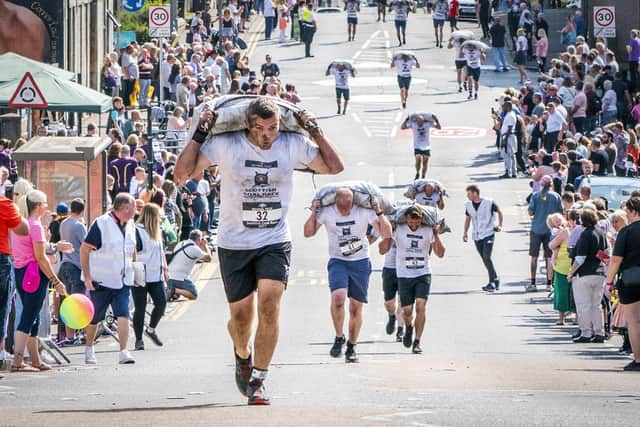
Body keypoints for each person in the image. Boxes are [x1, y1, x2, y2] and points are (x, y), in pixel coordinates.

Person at [173, 97, 343, 405]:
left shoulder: (291, 144)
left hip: (274, 239)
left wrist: (315, 131)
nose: (268, 135)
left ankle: (259, 379)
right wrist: (200, 132)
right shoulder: (227, 144)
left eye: (273, 128)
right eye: (261, 129)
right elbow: (181, 174)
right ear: (248, 125)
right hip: (234, 242)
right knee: (241, 320)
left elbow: (334, 166)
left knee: (269, 306)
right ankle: (243, 355)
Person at [304, 188, 392, 362]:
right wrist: (314, 211)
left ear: (353, 203)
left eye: (347, 208)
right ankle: (339, 337)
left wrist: (379, 212)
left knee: (355, 308)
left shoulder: (364, 211)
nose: (344, 212)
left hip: (360, 262)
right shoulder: (327, 212)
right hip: (338, 260)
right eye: (341, 208)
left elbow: (387, 233)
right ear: (335, 203)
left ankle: (352, 345)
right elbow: (308, 233)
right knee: (338, 298)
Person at [9, 190, 66, 372]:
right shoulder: (35, 226)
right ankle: (18, 360)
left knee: (32, 318)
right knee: (28, 318)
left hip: (20, 272)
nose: (47, 208)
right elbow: (41, 257)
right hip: (34, 274)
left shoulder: (19, 225)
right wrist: (56, 281)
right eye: (46, 204)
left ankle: (35, 359)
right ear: (39, 206)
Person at [379, 206, 445, 354]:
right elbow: (382, 250)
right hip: (404, 274)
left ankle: (417, 341)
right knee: (407, 311)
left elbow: (440, 254)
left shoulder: (428, 231)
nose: (413, 226)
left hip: (423, 273)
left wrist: (436, 234)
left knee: (421, 306)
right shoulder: (399, 229)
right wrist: (390, 233)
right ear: (406, 219)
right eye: (410, 223)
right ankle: (408, 328)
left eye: (416, 223)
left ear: (421, 219)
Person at [81, 193, 138, 365]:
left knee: (123, 315)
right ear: (126, 209)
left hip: (123, 280)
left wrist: (135, 269)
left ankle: (123, 351)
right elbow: (84, 250)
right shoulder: (101, 224)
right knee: (95, 319)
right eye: (134, 208)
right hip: (102, 281)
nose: (136, 211)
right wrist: (88, 276)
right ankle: (89, 348)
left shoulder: (131, 225)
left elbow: (132, 249)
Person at [606, 197, 640, 371]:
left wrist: (609, 280)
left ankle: (638, 359)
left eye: (627, 211)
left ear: (633, 211)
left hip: (631, 280)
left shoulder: (626, 232)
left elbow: (616, 259)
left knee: (634, 321)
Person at [567, 209, 607, 343]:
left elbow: (580, 258)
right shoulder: (600, 233)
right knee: (596, 305)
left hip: (584, 274)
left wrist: (571, 272)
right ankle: (599, 332)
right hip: (599, 272)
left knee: (583, 305)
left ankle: (586, 333)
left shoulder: (585, 235)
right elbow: (603, 253)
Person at [132, 203, 168, 351]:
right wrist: (132, 273)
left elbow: (161, 251)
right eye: (159, 215)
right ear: (152, 216)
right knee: (140, 308)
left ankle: (151, 329)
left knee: (161, 303)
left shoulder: (157, 231)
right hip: (141, 274)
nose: (161, 218)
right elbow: (132, 253)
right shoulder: (137, 231)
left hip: (156, 274)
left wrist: (165, 267)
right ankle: (139, 339)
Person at [0, 190, 28, 366]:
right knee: (2, 307)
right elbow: (23, 229)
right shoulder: (4, 204)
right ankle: (1, 353)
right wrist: (17, 209)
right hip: (1, 258)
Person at [58, 198, 88, 344]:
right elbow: (87, 245)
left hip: (65, 264)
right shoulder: (79, 226)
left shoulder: (64, 223)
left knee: (68, 302)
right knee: (79, 303)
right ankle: (79, 335)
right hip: (76, 266)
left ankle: (69, 336)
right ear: (83, 210)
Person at [463, 185, 503, 292]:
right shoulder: (468, 205)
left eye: (469, 193)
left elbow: (500, 212)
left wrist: (499, 225)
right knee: (484, 258)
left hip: (488, 232)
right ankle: (495, 279)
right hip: (477, 235)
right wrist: (465, 232)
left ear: (475, 193)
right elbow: (467, 219)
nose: (467, 196)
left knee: (487, 256)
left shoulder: (489, 202)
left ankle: (492, 282)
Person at [528, 175, 563, 292]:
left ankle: (533, 283)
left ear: (541, 184)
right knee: (549, 257)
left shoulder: (535, 195)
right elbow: (560, 213)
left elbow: (531, 212)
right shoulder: (556, 196)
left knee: (534, 257)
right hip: (551, 230)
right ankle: (549, 284)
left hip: (536, 228)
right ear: (551, 184)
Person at [167, 229, 212, 301]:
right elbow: (209, 258)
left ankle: (174, 292)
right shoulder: (195, 249)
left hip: (169, 277)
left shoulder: (180, 243)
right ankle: (174, 290)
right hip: (180, 278)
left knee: (178, 294)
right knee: (194, 294)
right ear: (198, 239)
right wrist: (205, 245)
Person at [400, 113, 441, 179]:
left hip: (426, 147)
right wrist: (406, 120)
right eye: (418, 122)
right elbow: (402, 127)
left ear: (423, 121)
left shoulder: (427, 124)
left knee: (425, 163)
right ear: (416, 121)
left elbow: (439, 127)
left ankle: (423, 176)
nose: (419, 124)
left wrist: (436, 120)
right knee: (418, 160)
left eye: (421, 122)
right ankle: (418, 172)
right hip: (417, 146)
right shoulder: (413, 124)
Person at [548, 213, 572, 325]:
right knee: (575, 293)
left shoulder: (565, 231)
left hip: (563, 266)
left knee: (561, 292)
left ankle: (561, 319)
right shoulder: (580, 231)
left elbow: (552, 245)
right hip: (576, 266)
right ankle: (577, 318)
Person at [499, 100, 518, 179]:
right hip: (509, 136)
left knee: (507, 155)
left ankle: (508, 172)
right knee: (512, 155)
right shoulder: (510, 114)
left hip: (508, 137)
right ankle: (514, 172)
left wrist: (505, 139)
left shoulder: (510, 115)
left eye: (504, 106)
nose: (503, 108)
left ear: (508, 107)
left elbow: (509, 128)